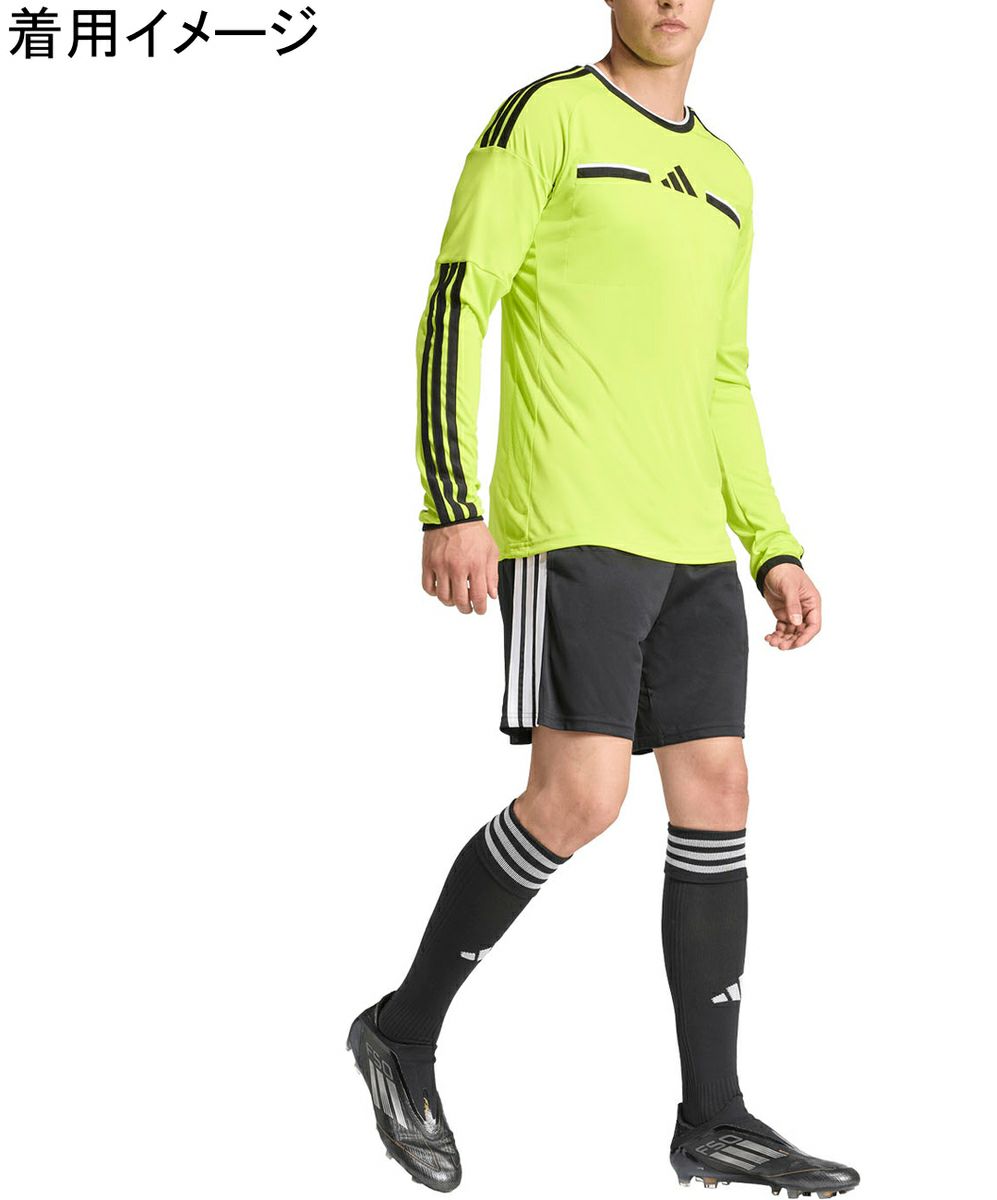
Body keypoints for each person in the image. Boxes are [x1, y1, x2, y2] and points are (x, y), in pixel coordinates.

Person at [347, 2, 860, 1194]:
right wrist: (448, 499)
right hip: (572, 525)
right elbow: (458, 301)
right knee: (578, 802)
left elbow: (724, 374)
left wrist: (771, 544)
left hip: (694, 548)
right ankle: (400, 1033)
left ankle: (713, 1117)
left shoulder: (728, 174)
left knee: (719, 791)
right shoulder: (545, 118)